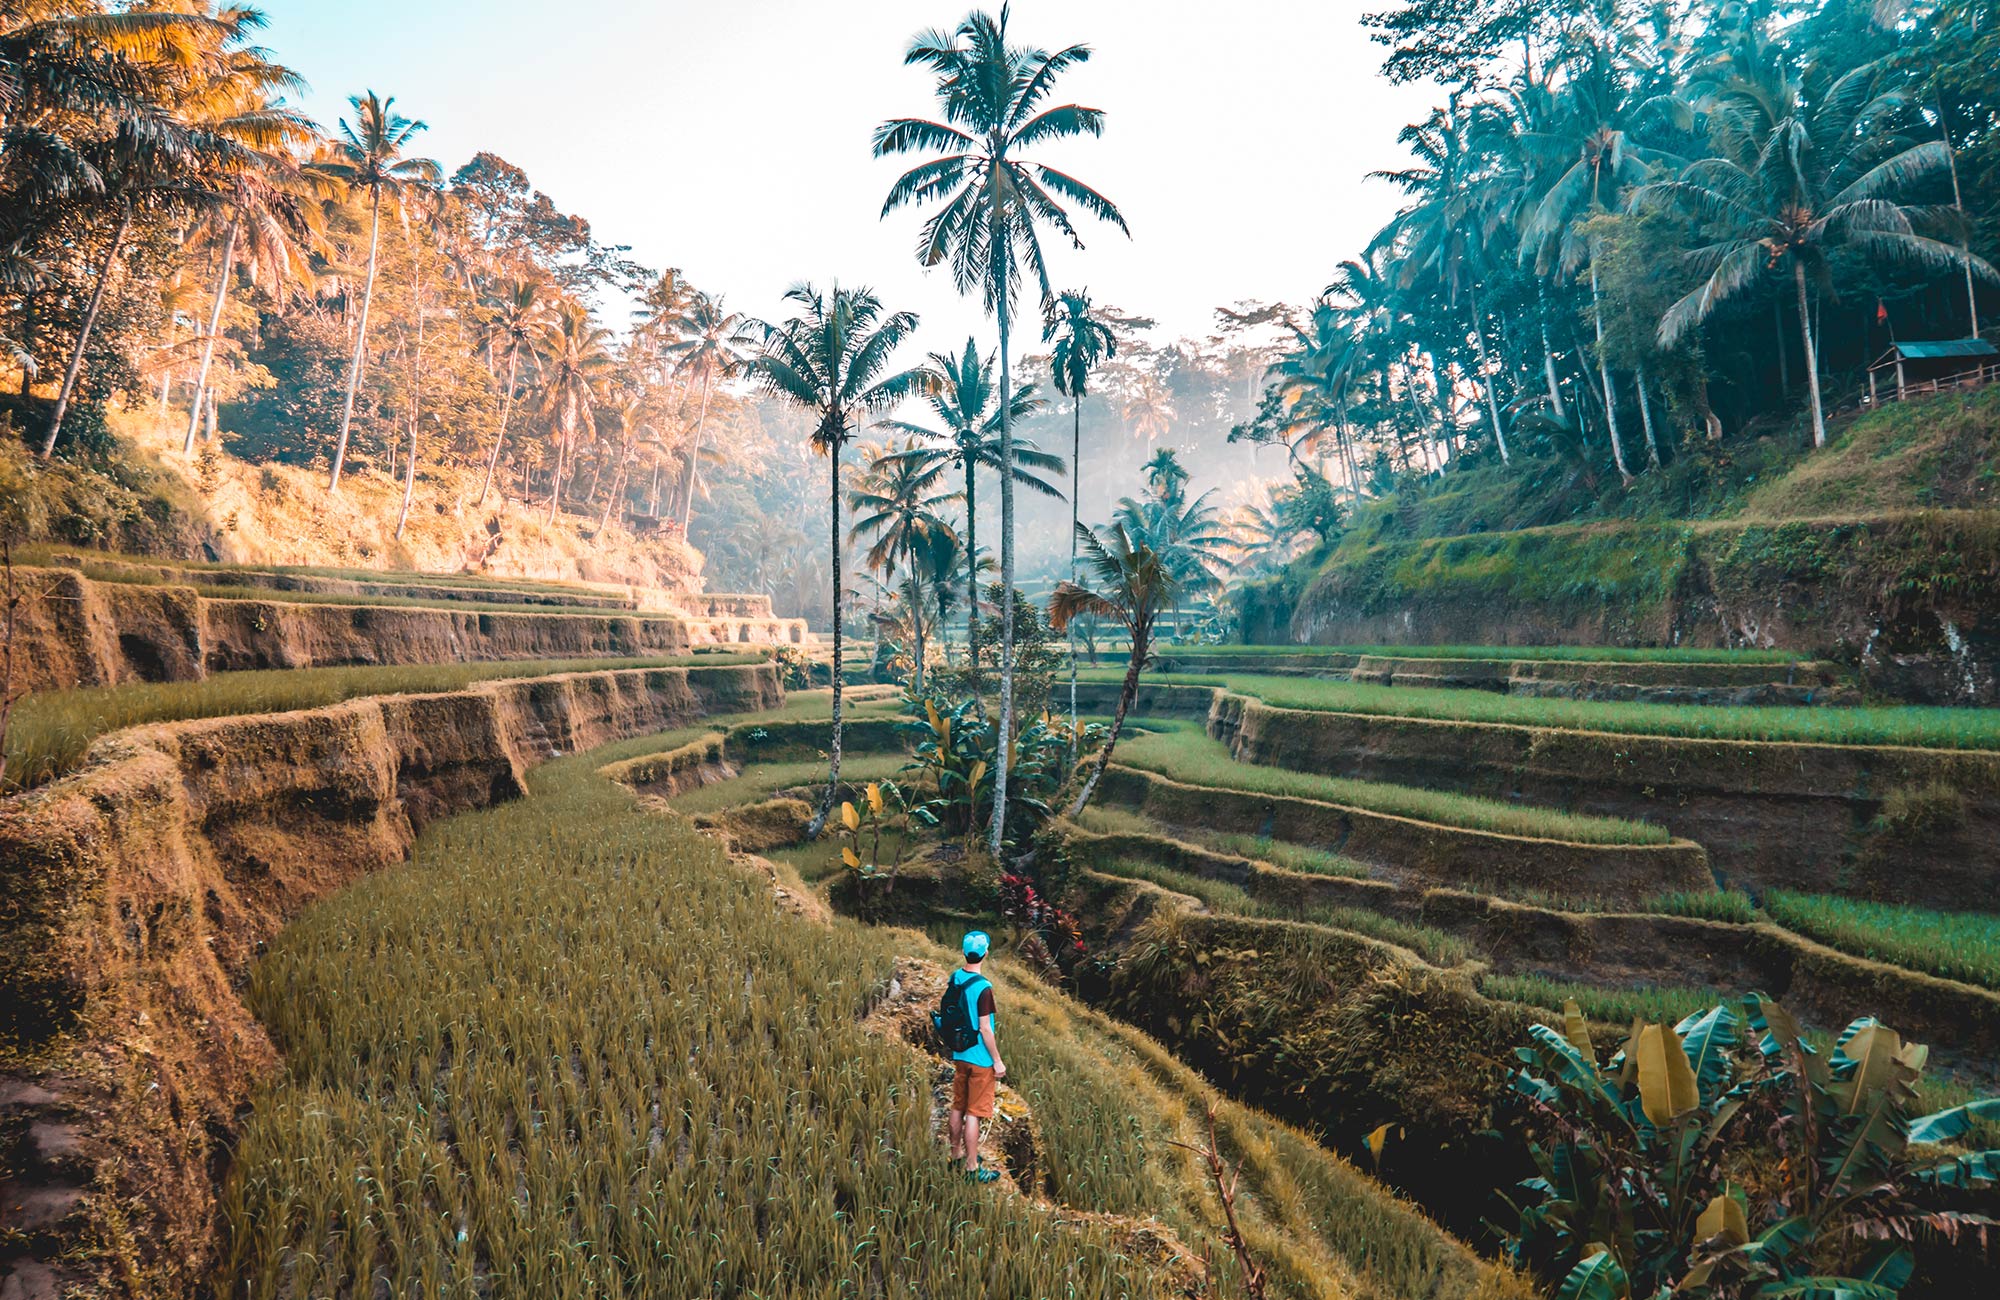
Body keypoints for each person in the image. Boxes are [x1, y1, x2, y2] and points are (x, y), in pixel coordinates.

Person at [946, 930, 1006, 1183]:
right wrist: (997, 1061)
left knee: (958, 1105)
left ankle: (956, 1155)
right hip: (980, 1059)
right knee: (974, 1113)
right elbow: (985, 1028)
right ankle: (972, 1168)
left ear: (963, 952)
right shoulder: (984, 988)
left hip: (960, 1052)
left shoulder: (956, 977)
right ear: (986, 953)